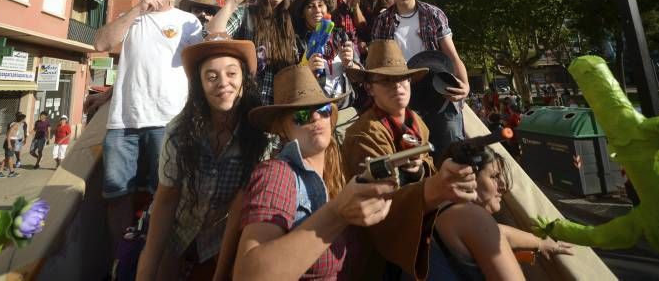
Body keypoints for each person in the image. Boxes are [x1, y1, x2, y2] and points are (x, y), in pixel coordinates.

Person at [233, 64, 395, 279]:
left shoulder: (339, 168)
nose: (316, 118)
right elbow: (248, 275)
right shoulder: (276, 173)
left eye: (323, 110)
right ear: (282, 128)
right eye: (301, 115)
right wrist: (337, 213)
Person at [343, 40, 480, 278]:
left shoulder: (416, 122)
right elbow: (377, 205)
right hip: (388, 251)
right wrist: (434, 185)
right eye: (386, 80)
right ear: (370, 88)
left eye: (402, 78)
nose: (397, 86)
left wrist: (418, 170)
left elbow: (426, 163)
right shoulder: (362, 134)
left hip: (424, 227)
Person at [93, 0, 203, 248]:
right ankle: (122, 260)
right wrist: (138, 10)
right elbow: (101, 44)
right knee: (117, 195)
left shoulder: (187, 21)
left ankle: (156, 258)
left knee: (165, 195)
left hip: (168, 121)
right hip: (122, 123)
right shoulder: (130, 17)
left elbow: (200, 66)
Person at [136, 39, 268, 280]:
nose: (223, 83)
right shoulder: (179, 132)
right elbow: (166, 200)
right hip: (179, 228)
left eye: (231, 73)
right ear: (200, 84)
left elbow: (240, 208)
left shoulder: (260, 136)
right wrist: (147, 269)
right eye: (211, 76)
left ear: (244, 81)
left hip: (224, 236)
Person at [434, 147, 573, 280]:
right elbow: (487, 230)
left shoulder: (441, 206)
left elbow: (500, 232)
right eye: (494, 176)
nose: (503, 185)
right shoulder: (474, 218)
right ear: (468, 177)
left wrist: (540, 243)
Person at [371, 0, 469, 105]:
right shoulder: (382, 21)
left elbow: (452, 55)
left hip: (439, 85)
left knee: (449, 127)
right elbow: (378, 62)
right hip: (403, 90)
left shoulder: (433, 14)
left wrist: (465, 86)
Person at [206, 0, 300, 105]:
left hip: (278, 109)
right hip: (244, 106)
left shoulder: (291, 24)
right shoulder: (246, 13)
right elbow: (212, 36)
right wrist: (233, 2)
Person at [290, 0, 360, 104]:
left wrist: (350, 64)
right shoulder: (297, 42)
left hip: (346, 107)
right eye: (310, 6)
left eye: (320, 5)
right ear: (303, 13)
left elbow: (361, 75)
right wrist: (307, 71)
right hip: (316, 111)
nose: (317, 10)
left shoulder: (341, 36)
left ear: (327, 8)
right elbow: (291, 84)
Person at [406, 50, 466, 157]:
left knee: (454, 153)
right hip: (412, 100)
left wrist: (465, 86)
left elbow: (454, 56)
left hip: (445, 100)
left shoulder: (436, 32)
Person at [0, 112, 26, 178]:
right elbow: (8, 134)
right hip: (10, 142)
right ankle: (11, 172)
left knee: (7, 158)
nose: (24, 120)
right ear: (21, 119)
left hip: (12, 141)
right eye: (24, 119)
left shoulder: (18, 124)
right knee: (10, 158)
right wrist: (9, 144)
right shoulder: (15, 125)